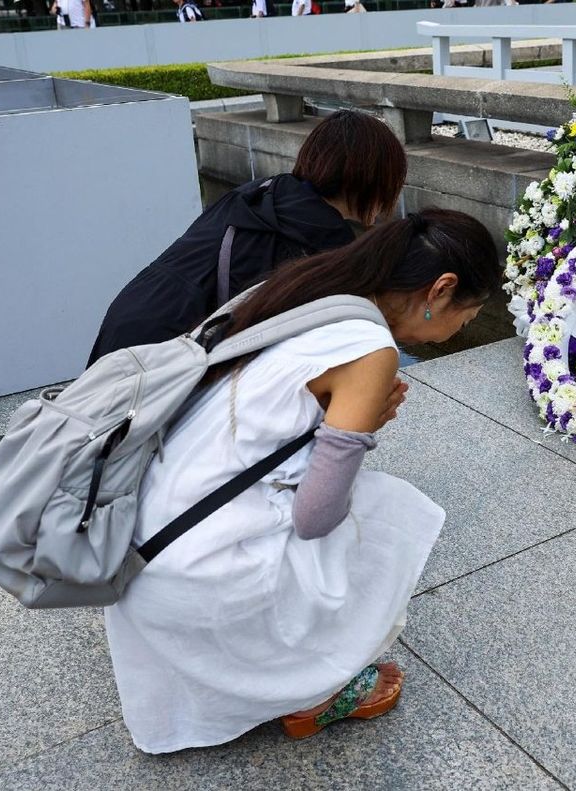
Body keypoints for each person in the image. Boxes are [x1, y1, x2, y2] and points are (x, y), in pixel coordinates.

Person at [103, 208, 500, 754]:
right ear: (442, 288)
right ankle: (312, 689)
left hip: (133, 550)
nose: (465, 327)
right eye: (471, 313)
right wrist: (365, 429)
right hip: (190, 578)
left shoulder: (303, 288)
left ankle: (271, 656)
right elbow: (316, 519)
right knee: (387, 512)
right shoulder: (371, 352)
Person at [88, 109, 407, 364]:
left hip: (134, 310)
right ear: (371, 179)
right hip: (166, 345)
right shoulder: (318, 238)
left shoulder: (266, 192)